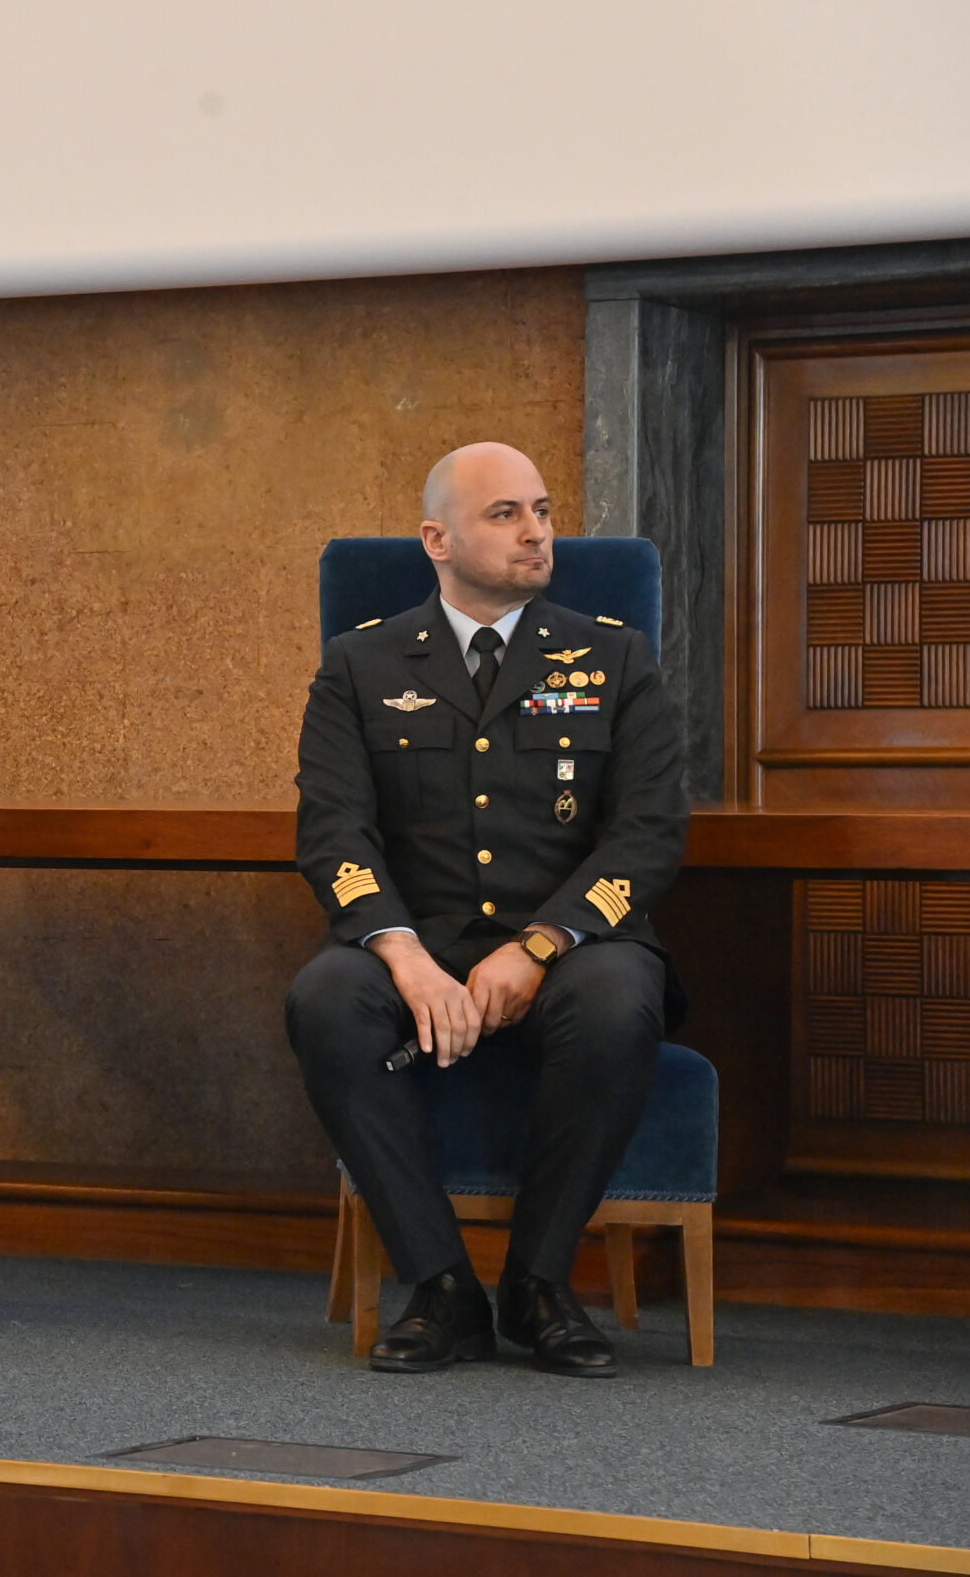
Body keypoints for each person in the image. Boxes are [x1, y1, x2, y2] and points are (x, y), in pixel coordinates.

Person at [284, 443, 688, 1377]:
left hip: (575, 943)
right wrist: (405, 957)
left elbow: (649, 831)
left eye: (542, 510)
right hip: (418, 940)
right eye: (506, 513)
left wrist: (540, 943)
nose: (536, 531)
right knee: (326, 999)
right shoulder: (361, 663)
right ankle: (442, 1288)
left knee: (620, 998)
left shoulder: (614, 657)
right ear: (438, 539)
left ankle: (539, 1284)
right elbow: (334, 831)